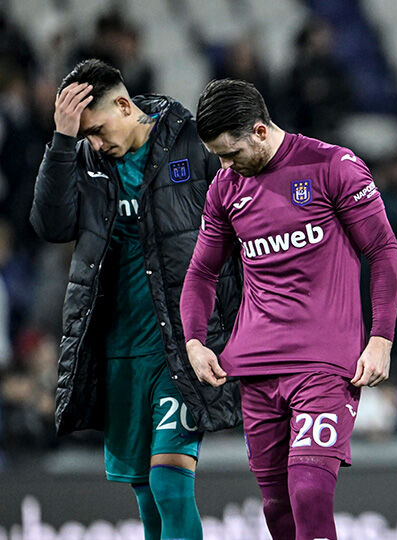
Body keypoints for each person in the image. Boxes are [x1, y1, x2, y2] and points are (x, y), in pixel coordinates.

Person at [179, 79, 397, 540]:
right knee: (278, 507)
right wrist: (195, 340)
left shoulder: (332, 166)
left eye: (231, 152)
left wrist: (381, 339)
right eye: (217, 156)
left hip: (324, 364)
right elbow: (202, 271)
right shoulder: (225, 188)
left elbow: (383, 252)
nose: (224, 165)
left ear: (260, 131)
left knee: (309, 492)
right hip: (257, 368)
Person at [30, 59, 243, 540]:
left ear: (125, 105)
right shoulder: (84, 158)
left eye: (98, 130)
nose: (97, 143)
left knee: (170, 485)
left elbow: (240, 218)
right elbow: (51, 225)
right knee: (146, 494)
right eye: (85, 136)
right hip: (118, 351)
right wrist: (64, 141)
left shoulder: (191, 140)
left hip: (182, 345)